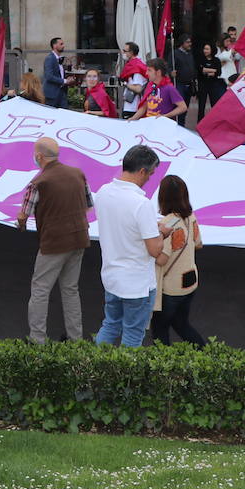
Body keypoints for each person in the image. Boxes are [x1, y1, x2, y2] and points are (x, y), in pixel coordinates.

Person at [18, 137, 91, 343]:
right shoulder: (78, 174)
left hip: (53, 243)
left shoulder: (38, 182)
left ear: (39, 156)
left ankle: (37, 339)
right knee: (70, 289)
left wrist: (21, 224)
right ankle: (75, 338)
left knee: (40, 289)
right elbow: (88, 204)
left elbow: (23, 215)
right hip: (79, 237)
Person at [94, 145, 166, 347]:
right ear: (142, 171)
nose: (149, 179)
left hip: (111, 276)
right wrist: (162, 233)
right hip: (137, 284)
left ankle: (90, 369)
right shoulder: (141, 204)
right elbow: (155, 250)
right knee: (133, 335)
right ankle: (125, 377)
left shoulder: (103, 192)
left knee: (110, 325)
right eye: (150, 174)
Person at [150, 175, 206, 345]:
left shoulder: (168, 223)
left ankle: (164, 367)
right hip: (190, 280)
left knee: (160, 330)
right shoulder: (190, 216)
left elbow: (162, 259)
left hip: (171, 287)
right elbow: (198, 244)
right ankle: (206, 354)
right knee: (182, 324)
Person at [168, 35, 197, 126]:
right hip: (179, 84)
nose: (190, 44)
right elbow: (168, 67)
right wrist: (171, 72)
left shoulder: (190, 54)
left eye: (190, 42)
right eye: (187, 42)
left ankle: (182, 124)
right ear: (182, 43)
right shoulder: (174, 54)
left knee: (185, 107)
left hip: (189, 84)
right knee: (179, 106)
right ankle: (178, 125)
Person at [118, 42, 148, 118]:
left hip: (133, 107)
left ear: (131, 52)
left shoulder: (136, 68)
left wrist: (124, 83)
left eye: (125, 51)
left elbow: (138, 89)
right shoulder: (133, 65)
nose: (123, 53)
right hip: (130, 105)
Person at [196, 43, 224, 119]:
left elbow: (219, 72)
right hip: (202, 84)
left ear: (212, 50)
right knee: (201, 106)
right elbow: (200, 70)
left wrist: (207, 71)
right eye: (204, 49)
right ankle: (200, 123)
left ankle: (213, 122)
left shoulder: (216, 60)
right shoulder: (200, 59)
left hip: (213, 84)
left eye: (207, 49)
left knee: (214, 105)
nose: (205, 51)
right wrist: (212, 70)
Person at [41, 37, 67, 108]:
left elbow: (59, 73)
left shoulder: (59, 58)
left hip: (61, 92)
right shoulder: (50, 58)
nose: (63, 46)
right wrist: (64, 81)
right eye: (61, 44)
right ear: (54, 46)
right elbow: (49, 76)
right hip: (52, 93)